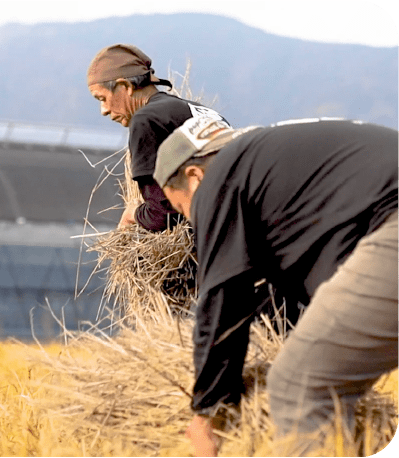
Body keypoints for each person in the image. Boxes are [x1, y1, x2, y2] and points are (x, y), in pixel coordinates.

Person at [153, 115, 398, 456]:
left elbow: (224, 298)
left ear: (194, 178)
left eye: (182, 208)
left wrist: (209, 410)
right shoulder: (278, 171)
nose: (192, 221)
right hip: (384, 221)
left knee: (302, 384)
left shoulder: (221, 176)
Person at [86, 43, 229, 232]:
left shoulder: (146, 120)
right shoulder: (198, 110)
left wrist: (134, 213)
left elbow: (164, 214)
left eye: (102, 99)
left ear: (125, 86)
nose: (103, 110)